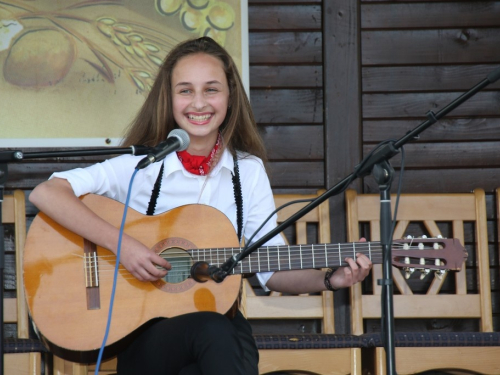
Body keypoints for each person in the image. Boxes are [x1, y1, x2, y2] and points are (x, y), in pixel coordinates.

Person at [29, 36, 372, 375]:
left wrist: (332, 278)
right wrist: (124, 247)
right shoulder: (143, 165)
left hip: (218, 336)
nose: (199, 103)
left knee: (225, 338)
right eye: (185, 90)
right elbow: (46, 193)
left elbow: (273, 270)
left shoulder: (246, 172)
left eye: (211, 89)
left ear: (229, 96)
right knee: (218, 334)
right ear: (169, 98)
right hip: (144, 336)